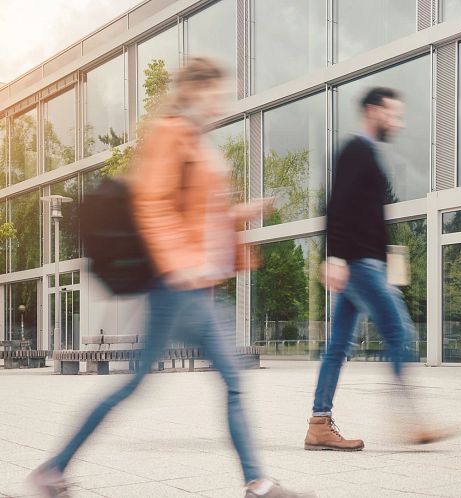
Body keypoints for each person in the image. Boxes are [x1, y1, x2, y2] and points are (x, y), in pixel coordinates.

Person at [29, 58, 309, 498]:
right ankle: (257, 482)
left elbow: (199, 216)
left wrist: (243, 212)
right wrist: (181, 264)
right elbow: (153, 205)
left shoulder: (195, 139)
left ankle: (256, 481)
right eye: (215, 92)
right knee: (172, 383)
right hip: (178, 286)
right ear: (194, 90)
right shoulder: (170, 133)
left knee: (189, 382)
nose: (220, 102)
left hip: (198, 285)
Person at [304, 87, 452, 452]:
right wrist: (335, 256)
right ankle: (411, 421)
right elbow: (337, 206)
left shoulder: (366, 153)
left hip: (364, 262)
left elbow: (364, 214)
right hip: (358, 264)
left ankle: (319, 423)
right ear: (372, 111)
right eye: (392, 114)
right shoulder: (357, 150)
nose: (397, 122)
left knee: (338, 346)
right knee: (400, 333)